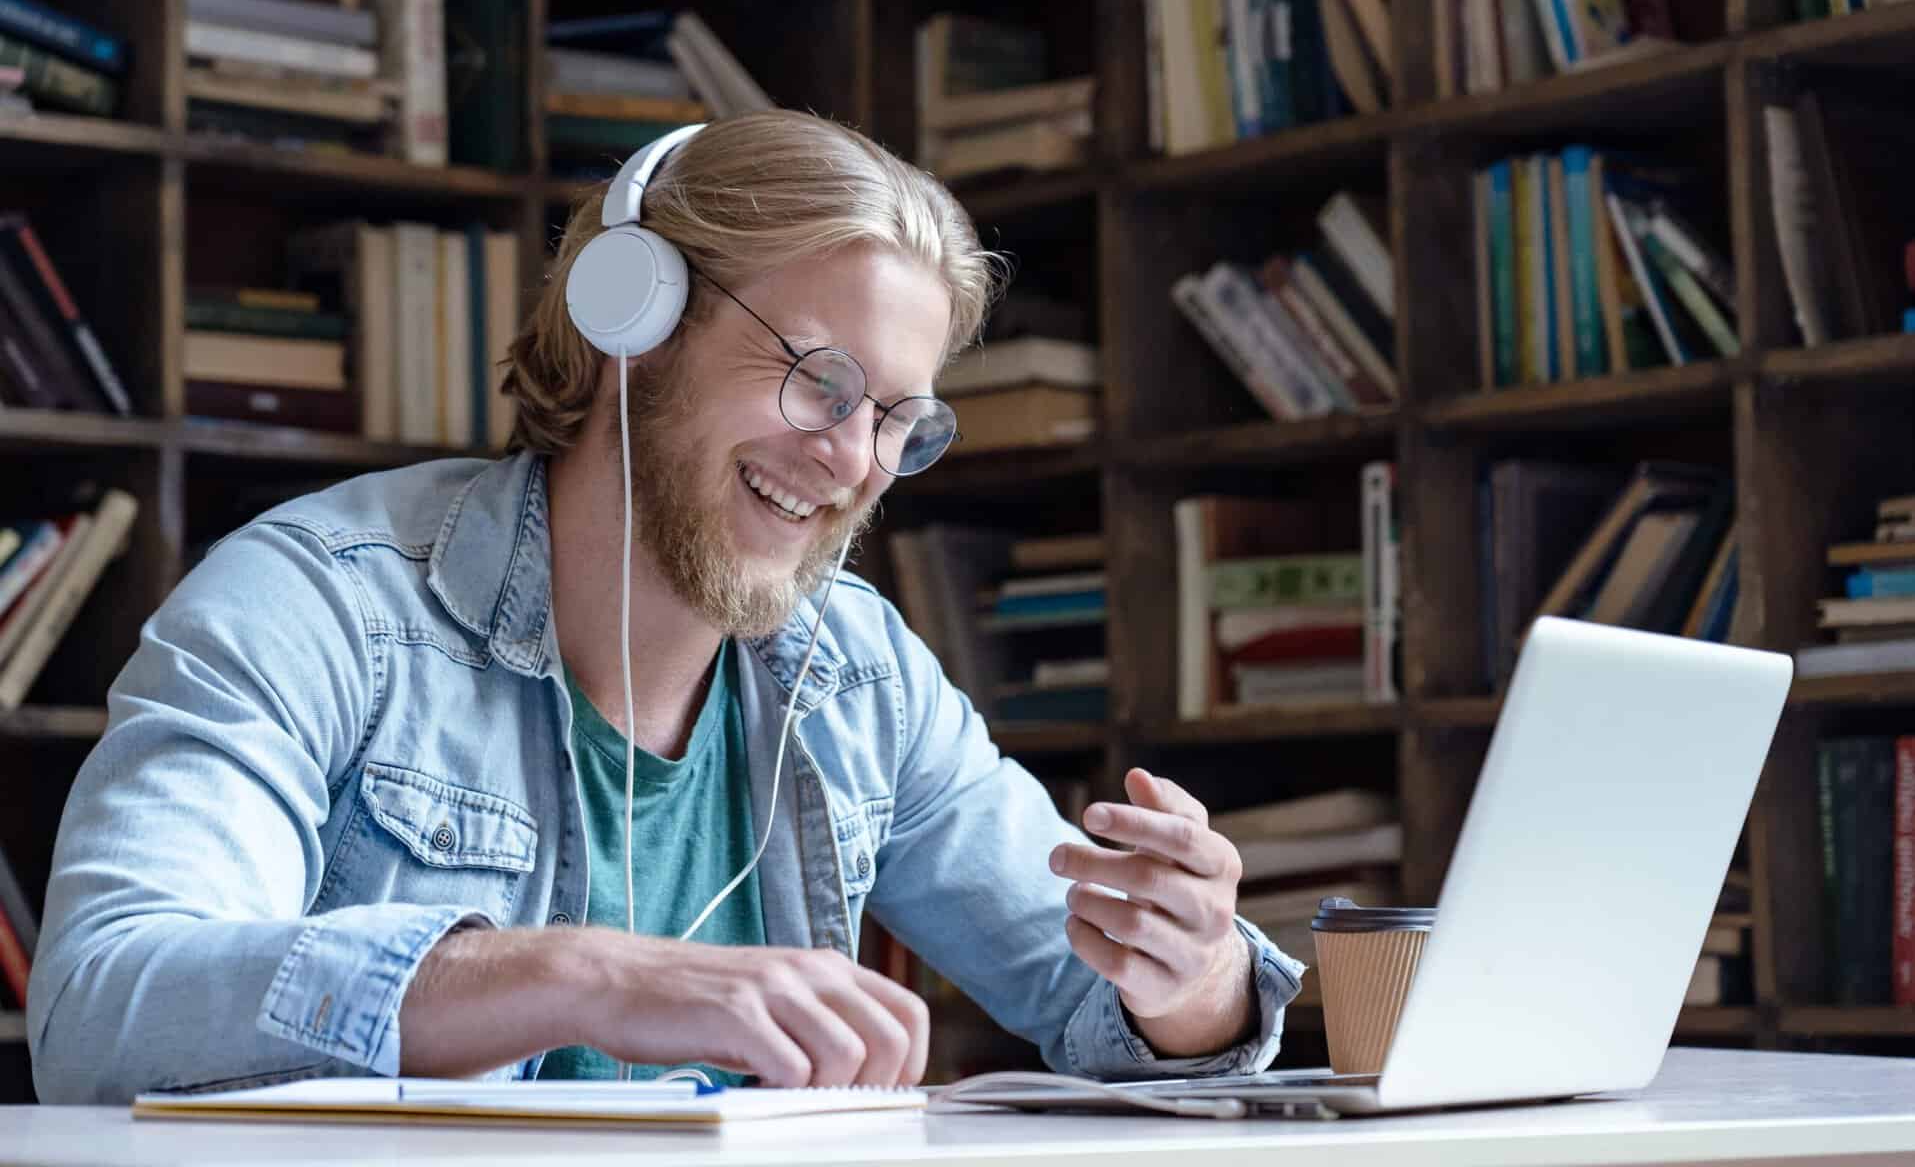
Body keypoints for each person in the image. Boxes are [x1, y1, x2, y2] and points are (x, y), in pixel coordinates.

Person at [28, 111, 1303, 1103]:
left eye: (899, 421)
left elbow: (1095, 1011)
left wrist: (1190, 979)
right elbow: (103, 1007)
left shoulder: (854, 672)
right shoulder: (320, 602)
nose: (856, 461)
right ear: (628, 315)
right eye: (822, 381)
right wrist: (579, 975)